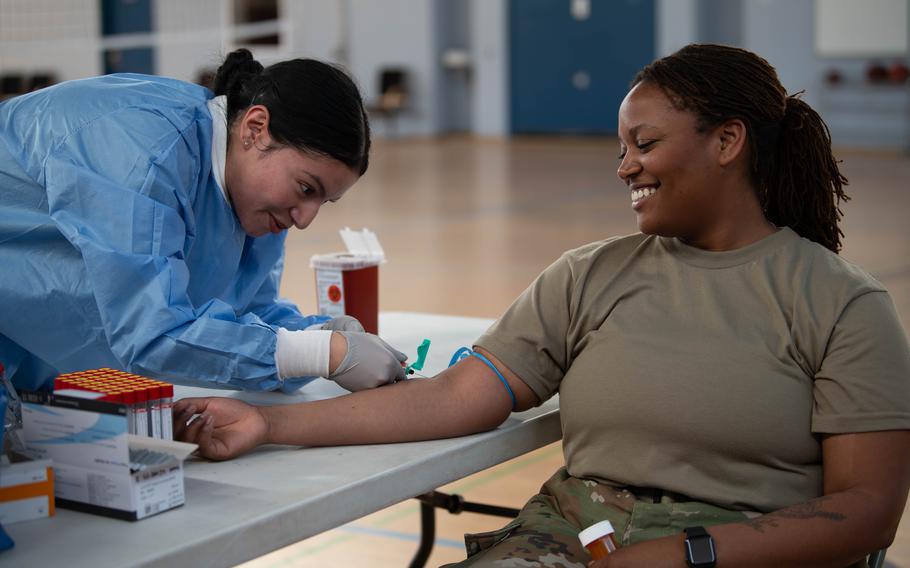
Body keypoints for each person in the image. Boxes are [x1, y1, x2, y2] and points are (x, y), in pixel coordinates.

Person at [173, 44, 910, 567]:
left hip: (741, 550)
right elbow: (455, 398)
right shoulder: (589, 276)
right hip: (573, 538)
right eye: (621, 146)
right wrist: (269, 422)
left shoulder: (841, 305)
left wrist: (691, 555)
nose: (625, 167)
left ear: (727, 141)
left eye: (643, 143)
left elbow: (868, 509)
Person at [0, 49, 406, 394]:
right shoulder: (142, 153)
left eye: (325, 202)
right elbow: (151, 334)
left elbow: (242, 311)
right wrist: (322, 355)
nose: (305, 219)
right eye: (306, 189)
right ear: (255, 128)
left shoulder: (251, 195)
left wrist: (319, 333)